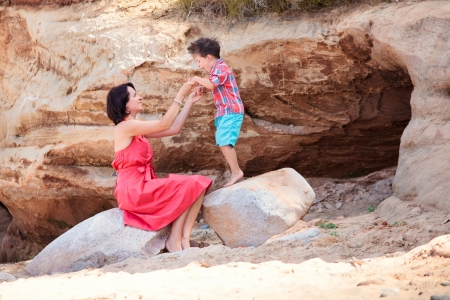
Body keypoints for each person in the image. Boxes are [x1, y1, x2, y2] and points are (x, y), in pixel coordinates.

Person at [106, 82, 212, 253]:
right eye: (134, 95)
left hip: (142, 184)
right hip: (133, 189)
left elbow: (174, 128)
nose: (139, 97)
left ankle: (183, 239)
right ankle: (174, 240)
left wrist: (190, 101)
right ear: (123, 104)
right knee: (190, 185)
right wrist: (180, 95)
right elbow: (164, 123)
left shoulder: (136, 127)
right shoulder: (125, 127)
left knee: (198, 184)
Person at [187, 37, 245, 187]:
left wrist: (196, 79)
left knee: (224, 139)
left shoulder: (221, 68)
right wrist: (203, 88)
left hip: (231, 110)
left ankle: (236, 171)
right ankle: (235, 171)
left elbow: (212, 84)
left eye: (199, 61)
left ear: (208, 57)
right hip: (224, 111)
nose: (199, 66)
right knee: (221, 139)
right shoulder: (216, 70)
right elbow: (214, 85)